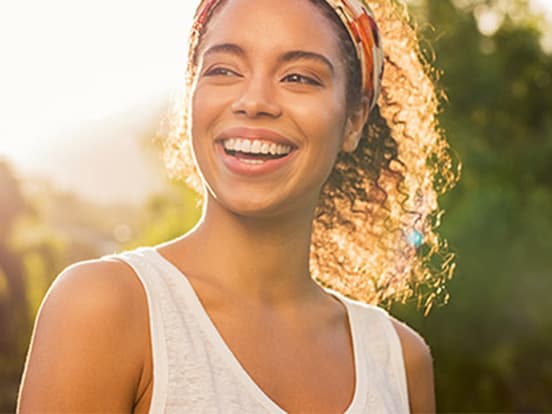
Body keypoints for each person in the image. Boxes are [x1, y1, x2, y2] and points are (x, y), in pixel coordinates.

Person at [18, 0, 457, 412]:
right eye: (224, 70)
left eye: (298, 78)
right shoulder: (104, 307)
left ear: (355, 119)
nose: (254, 102)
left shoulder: (400, 361)